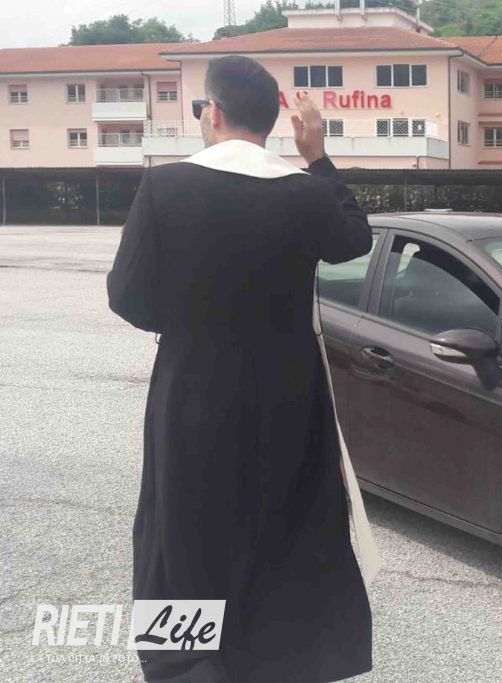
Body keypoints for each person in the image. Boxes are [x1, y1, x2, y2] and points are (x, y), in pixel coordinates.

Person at [107, 55, 376, 682]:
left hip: (193, 385)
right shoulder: (306, 192)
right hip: (288, 388)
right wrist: (318, 157)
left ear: (214, 112)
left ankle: (188, 665)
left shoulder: (166, 186)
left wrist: (187, 324)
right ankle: (280, 661)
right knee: (287, 521)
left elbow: (127, 295)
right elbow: (354, 240)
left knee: (184, 522)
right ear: (274, 123)